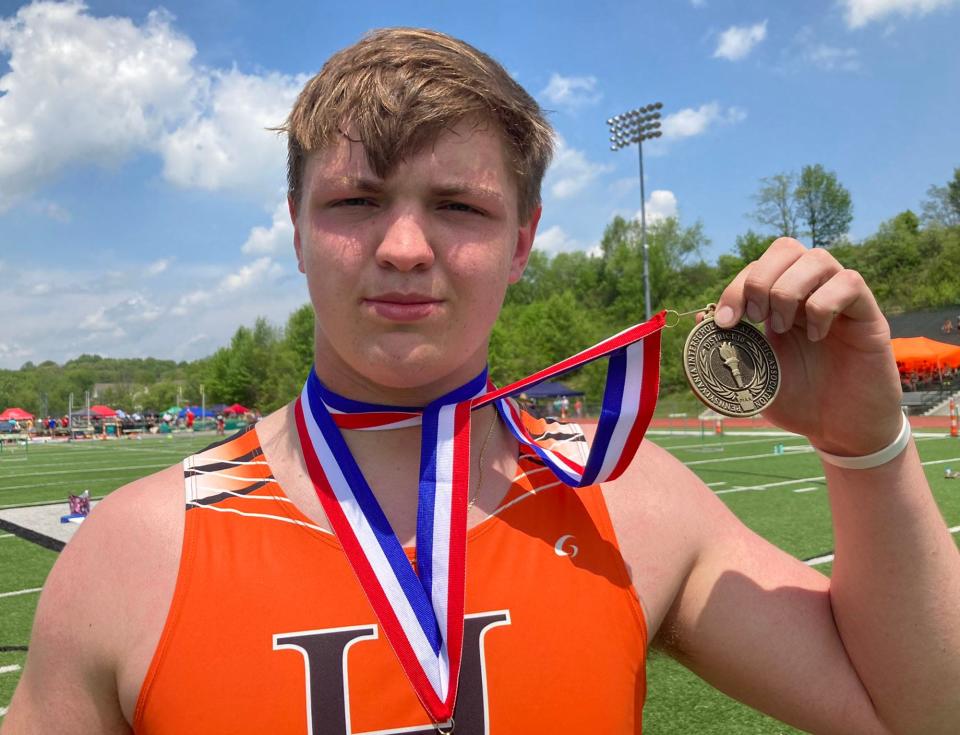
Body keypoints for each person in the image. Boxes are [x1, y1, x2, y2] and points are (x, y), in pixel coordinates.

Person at [6, 28, 960, 735]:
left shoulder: (627, 507)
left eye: (458, 206)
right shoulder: (135, 554)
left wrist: (866, 444)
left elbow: (913, 711)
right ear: (295, 228)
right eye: (356, 201)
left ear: (523, 241)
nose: (406, 248)